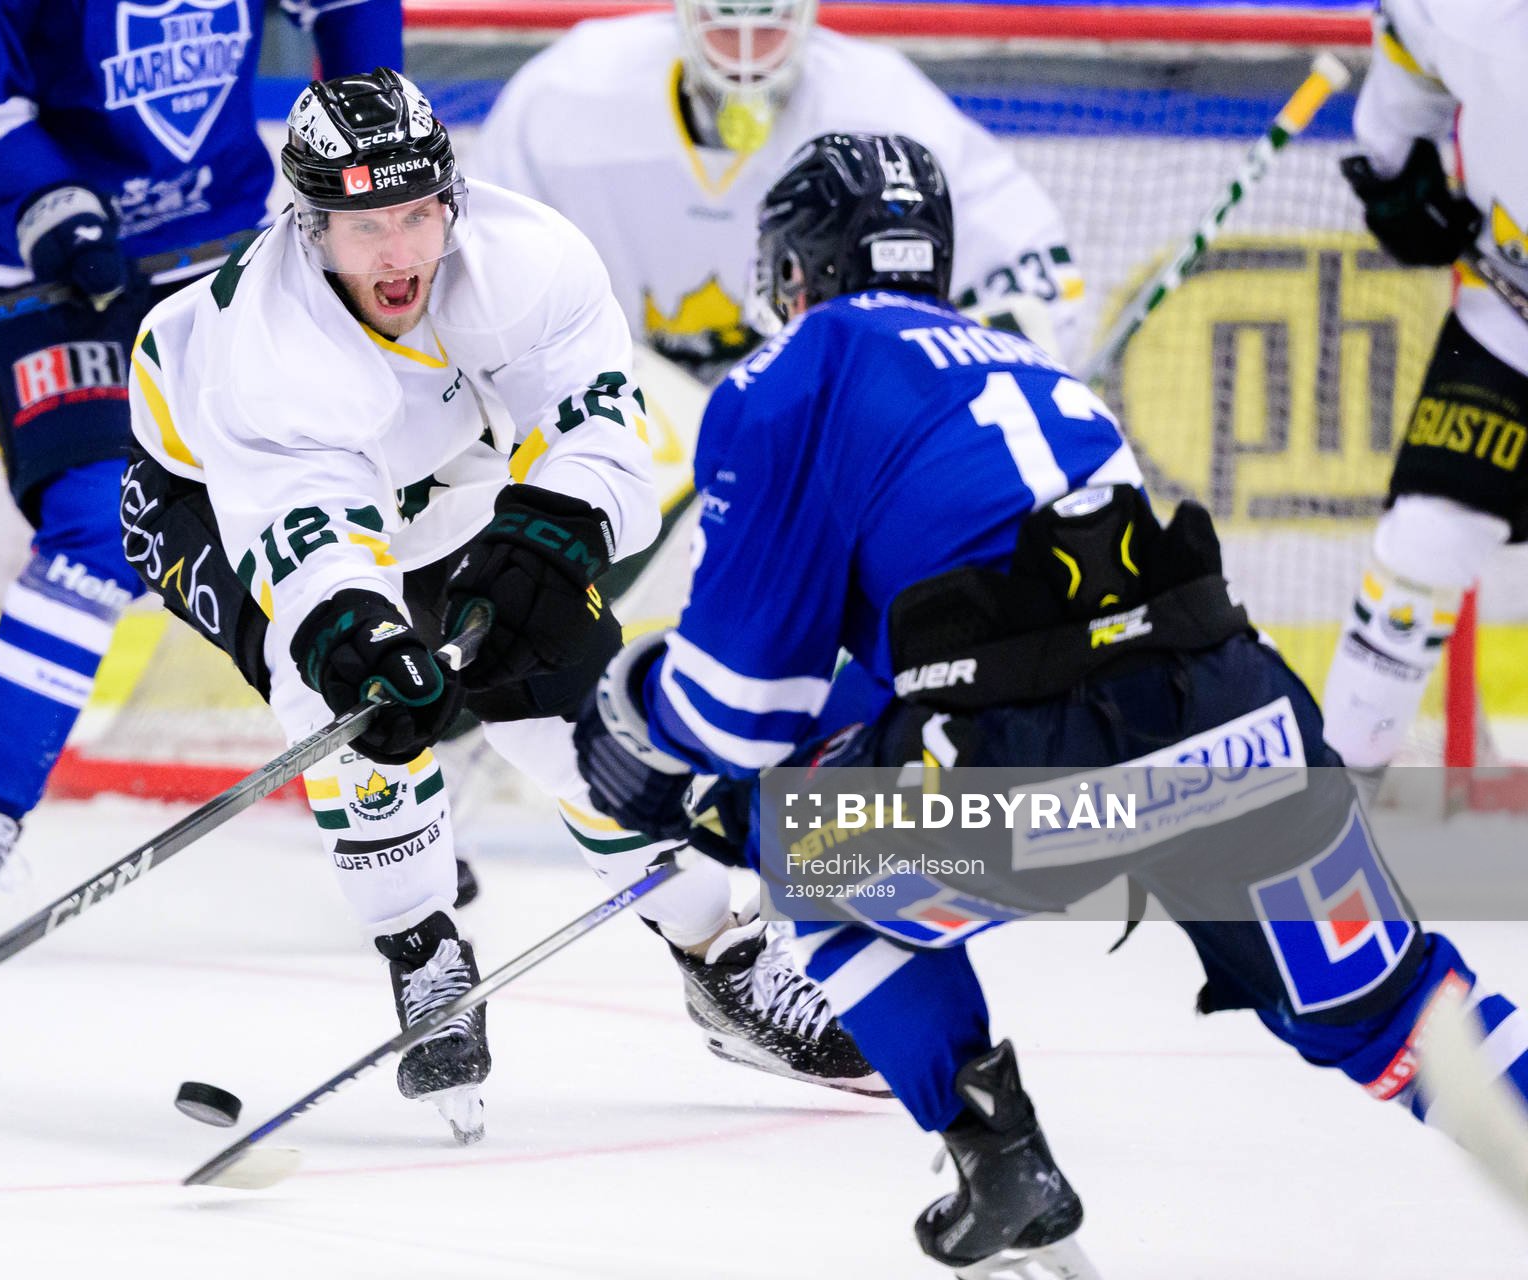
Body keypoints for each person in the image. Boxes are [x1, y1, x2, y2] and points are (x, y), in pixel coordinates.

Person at [574, 132, 1528, 1276]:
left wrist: (649, 751)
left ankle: (1000, 1160)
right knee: (1389, 1006)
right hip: (1248, 725)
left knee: (806, 858)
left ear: (792, 273)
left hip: (1037, 779)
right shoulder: (1035, 368)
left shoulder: (800, 365)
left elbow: (735, 716)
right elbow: (940, 655)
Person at [118, 70, 885, 1141]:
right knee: (344, 698)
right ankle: (424, 951)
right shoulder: (265, 354)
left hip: (441, 486)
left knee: (585, 710)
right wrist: (359, 632)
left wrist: (549, 531)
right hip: (203, 496)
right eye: (360, 226)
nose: (397, 252)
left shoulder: (530, 261)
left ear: (450, 197)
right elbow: (311, 545)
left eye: (415, 213)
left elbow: (597, 437)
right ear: (307, 224)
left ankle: (725, 954)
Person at [0, 0, 404, 932]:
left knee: (309, 525)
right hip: (48, 275)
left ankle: (394, 821)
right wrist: (50, 207)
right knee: (98, 524)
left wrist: (366, 118)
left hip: (218, 254)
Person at [471, 0, 1084, 380]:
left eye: (765, 23)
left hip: (824, 438)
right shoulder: (566, 94)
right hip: (624, 428)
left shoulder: (886, 106)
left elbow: (1038, 280)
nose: (745, 52)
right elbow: (476, 274)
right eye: (728, 20)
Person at [1320, 0, 1528, 781]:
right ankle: (1323, 816)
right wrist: (1393, 164)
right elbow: (1412, 36)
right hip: (1511, 318)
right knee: (1424, 542)